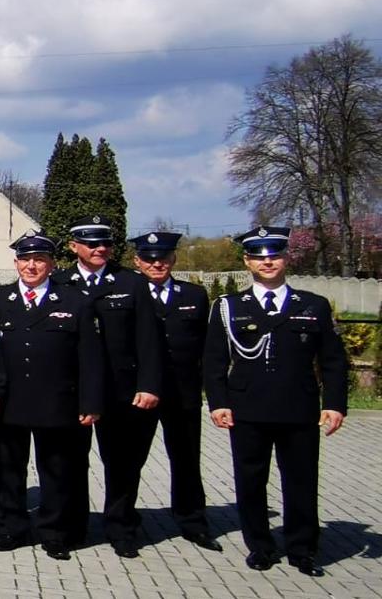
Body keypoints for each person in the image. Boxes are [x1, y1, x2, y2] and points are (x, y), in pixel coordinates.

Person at [206, 226, 348, 577]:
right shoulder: (229, 307)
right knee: (251, 480)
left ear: (286, 258)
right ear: (248, 262)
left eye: (274, 255)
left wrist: (335, 403)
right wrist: (218, 403)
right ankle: (260, 546)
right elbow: (214, 361)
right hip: (247, 410)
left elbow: (332, 360)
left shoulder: (313, 305)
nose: (267, 262)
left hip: (298, 409)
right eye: (259, 256)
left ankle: (303, 549)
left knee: (301, 480)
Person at [0, 232, 104, 560]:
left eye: (39, 259)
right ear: (16, 263)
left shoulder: (74, 301)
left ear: (52, 264)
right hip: (10, 402)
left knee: (56, 470)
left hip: (57, 402)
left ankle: (54, 532)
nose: (31, 265)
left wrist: (91, 402)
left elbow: (90, 358)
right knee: (9, 469)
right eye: (25, 260)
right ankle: (11, 528)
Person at [54, 215, 163, 559]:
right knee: (71, 462)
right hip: (73, 391)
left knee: (122, 462)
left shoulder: (131, 283)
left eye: (106, 243)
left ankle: (121, 527)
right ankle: (73, 527)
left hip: (122, 390)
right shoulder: (59, 283)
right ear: (74, 247)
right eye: (91, 243)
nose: (100, 249)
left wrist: (148, 384)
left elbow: (149, 340)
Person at [131, 231, 221, 551]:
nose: (157, 264)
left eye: (164, 258)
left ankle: (192, 521)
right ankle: (127, 521)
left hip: (182, 393)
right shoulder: (127, 293)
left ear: (173, 260)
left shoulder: (194, 295)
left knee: (185, 459)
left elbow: (206, 349)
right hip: (139, 394)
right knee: (130, 460)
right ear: (137, 261)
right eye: (149, 258)